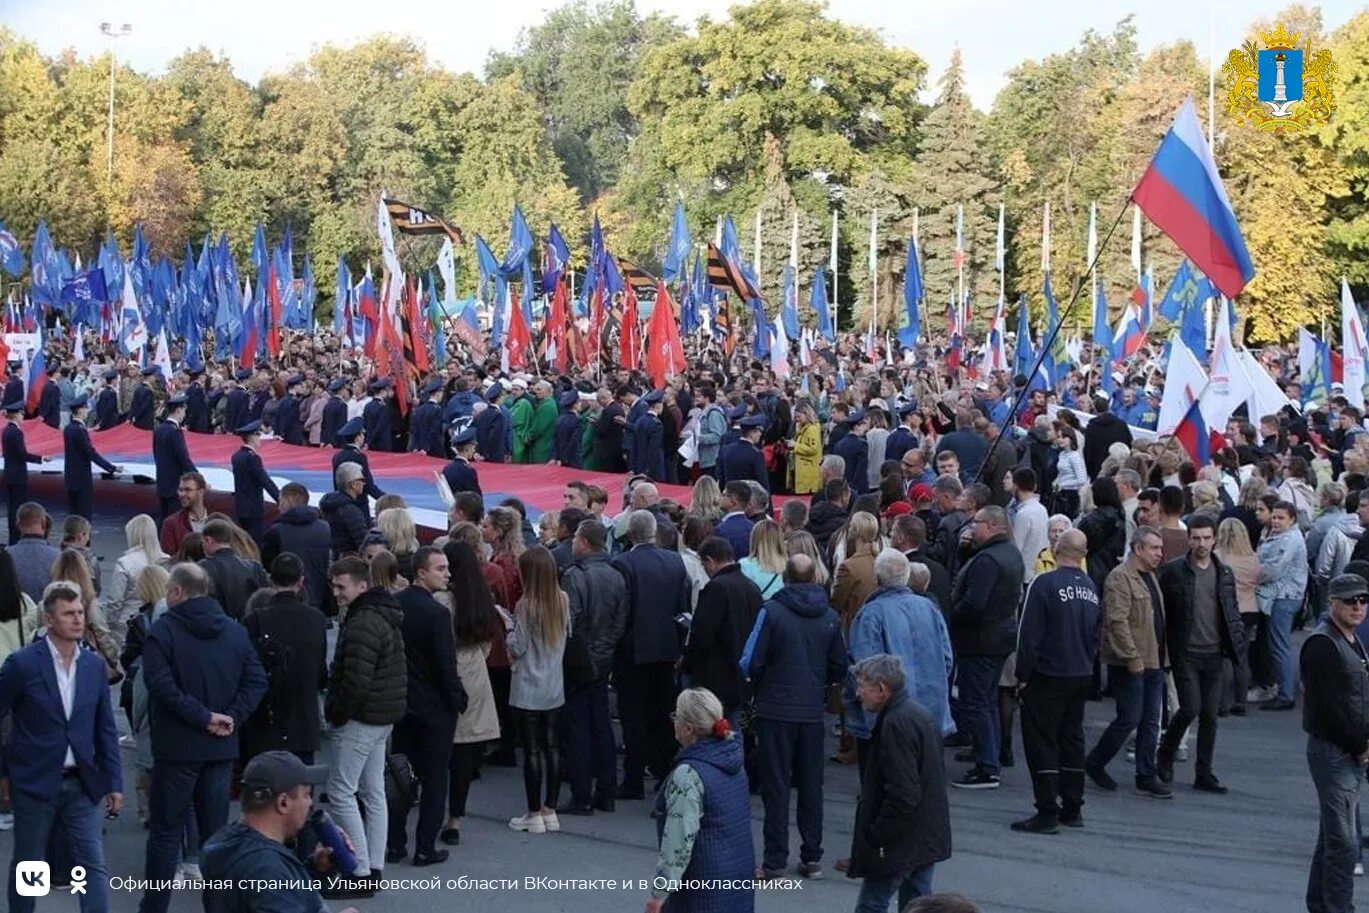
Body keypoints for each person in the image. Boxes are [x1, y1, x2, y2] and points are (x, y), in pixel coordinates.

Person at [140, 563, 268, 913]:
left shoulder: (163, 632)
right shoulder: (235, 631)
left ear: (177, 592)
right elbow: (257, 680)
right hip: (220, 748)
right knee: (215, 837)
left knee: (166, 834)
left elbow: (160, 685)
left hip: (176, 748)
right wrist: (230, 717)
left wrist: (202, 717)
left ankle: (153, 907)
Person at [0, 580, 122, 913]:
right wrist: (4, 772)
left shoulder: (94, 665)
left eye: (80, 612)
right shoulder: (22, 665)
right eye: (69, 613)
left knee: (92, 863)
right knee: (30, 865)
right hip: (35, 781)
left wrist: (114, 782)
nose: (78, 619)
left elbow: (105, 727)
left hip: (83, 781)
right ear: (49, 620)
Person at [741, 554, 848, 879]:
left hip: (775, 707)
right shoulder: (829, 617)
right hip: (811, 710)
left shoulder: (771, 611)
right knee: (811, 785)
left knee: (776, 787)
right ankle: (812, 854)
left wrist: (760, 683)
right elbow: (840, 665)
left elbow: (750, 660)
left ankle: (775, 859)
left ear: (785, 577)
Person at [324, 557, 406, 892]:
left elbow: (355, 680)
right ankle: (372, 867)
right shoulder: (381, 615)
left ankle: (358, 872)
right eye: (334, 586)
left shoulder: (362, 622)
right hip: (381, 717)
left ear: (361, 585)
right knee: (373, 793)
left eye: (341, 586)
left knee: (341, 791)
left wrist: (338, 713)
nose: (336, 592)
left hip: (362, 717)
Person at [845, 654, 952, 912]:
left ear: (881, 689)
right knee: (918, 904)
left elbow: (903, 794)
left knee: (872, 904)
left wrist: (876, 835)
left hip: (900, 842)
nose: (858, 694)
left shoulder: (895, 723)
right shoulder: (918, 713)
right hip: (926, 834)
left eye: (862, 686)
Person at [1012, 529, 1102, 833]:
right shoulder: (1090, 586)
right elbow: (1095, 634)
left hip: (1048, 673)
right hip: (1080, 671)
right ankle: (1073, 804)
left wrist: (1022, 675)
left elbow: (1028, 635)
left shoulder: (1044, 584)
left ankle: (1047, 808)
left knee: (1042, 740)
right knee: (1072, 737)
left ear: (1055, 548)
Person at [1155, 516, 1245, 793]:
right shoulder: (1173, 571)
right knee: (1189, 708)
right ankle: (1166, 753)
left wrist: (1236, 645)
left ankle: (1204, 772)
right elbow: (1162, 611)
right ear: (1189, 539)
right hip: (1186, 652)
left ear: (1215, 538)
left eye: (1206, 538)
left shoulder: (1224, 572)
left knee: (1210, 715)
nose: (1202, 543)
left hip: (1214, 653)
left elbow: (1230, 611)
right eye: (1196, 538)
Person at [646, 688, 756, 913]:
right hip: (739, 878)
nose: (674, 722)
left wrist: (659, 895)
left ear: (688, 728)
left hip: (702, 889)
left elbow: (678, 843)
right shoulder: (733, 762)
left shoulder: (688, 774)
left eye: (676, 716)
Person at [390, 546, 464, 866]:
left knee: (402, 777)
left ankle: (394, 842)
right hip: (434, 708)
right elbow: (445, 665)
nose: (447, 573)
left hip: (402, 704)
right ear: (421, 572)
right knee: (435, 780)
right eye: (440, 568)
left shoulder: (396, 606)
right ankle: (424, 847)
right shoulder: (437, 614)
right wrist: (457, 700)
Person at [1085, 527, 1171, 799]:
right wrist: (1132, 657)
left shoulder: (1151, 577)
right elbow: (1117, 622)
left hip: (1154, 658)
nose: (1160, 554)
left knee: (1151, 721)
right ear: (1138, 549)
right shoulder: (1120, 578)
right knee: (1130, 717)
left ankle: (1146, 775)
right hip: (1132, 661)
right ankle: (1096, 761)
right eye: (1154, 548)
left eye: (1160, 548)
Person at [1301, 573, 1369, 913]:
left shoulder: (1350, 639)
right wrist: (1360, 745)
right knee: (1343, 843)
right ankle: (1338, 908)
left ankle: (1320, 904)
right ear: (1332, 604)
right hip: (1334, 752)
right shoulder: (1323, 644)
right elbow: (1328, 707)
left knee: (1331, 835)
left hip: (1346, 750)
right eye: (1350, 600)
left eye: (1363, 600)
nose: (1358, 606)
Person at [611, 510, 691, 800]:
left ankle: (634, 778)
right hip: (666, 648)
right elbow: (683, 609)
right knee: (662, 714)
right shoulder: (674, 561)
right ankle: (666, 770)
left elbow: (622, 612)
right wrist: (681, 646)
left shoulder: (623, 563)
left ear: (631, 534)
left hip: (633, 651)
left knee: (634, 717)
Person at [845, 550, 955, 760]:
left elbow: (865, 666)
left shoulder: (871, 613)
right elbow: (946, 658)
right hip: (931, 707)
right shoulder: (929, 608)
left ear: (877, 578)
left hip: (887, 713)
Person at [200, 751, 342, 913]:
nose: (310, 803)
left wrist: (317, 869)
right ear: (283, 803)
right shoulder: (266, 867)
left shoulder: (225, 842)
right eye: (306, 795)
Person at [947, 506, 1025, 789]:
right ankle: (987, 752)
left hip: (980, 640)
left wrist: (951, 613)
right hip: (999, 638)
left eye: (976, 523)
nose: (971, 528)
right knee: (987, 700)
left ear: (992, 526)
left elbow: (974, 603)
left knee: (977, 701)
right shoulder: (1010, 553)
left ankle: (987, 767)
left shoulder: (989, 560)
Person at [557, 519, 629, 816]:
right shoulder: (616, 575)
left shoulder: (575, 576)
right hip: (604, 658)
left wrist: (580, 654)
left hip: (580, 661)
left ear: (584, 541)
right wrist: (605, 649)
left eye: (575, 537)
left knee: (578, 729)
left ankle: (581, 795)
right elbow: (619, 621)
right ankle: (606, 791)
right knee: (601, 726)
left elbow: (570, 622)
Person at [441, 540, 502, 844]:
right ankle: (456, 818)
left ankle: (435, 808)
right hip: (475, 670)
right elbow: (489, 640)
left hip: (446, 671)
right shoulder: (482, 598)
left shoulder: (443, 601)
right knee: (465, 753)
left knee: (440, 749)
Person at [241, 555, 328, 765]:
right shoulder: (316, 619)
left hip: (265, 720)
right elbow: (320, 673)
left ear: (271, 580)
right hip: (303, 721)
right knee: (300, 790)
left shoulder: (255, 620)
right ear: (301, 581)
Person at [507, 546, 570, 834]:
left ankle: (533, 813)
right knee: (552, 746)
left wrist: (508, 628)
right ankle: (550, 809)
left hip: (528, 685)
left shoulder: (525, 604)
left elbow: (518, 646)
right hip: (554, 684)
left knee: (531, 750)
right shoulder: (562, 600)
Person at [682, 537, 764, 722]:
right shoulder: (751, 587)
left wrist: (687, 664)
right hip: (742, 674)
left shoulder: (717, 588)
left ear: (710, 561)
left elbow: (701, 634)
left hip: (716, 675)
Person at [1257, 500, 1309, 711]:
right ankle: (1284, 689)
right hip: (1283, 594)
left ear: (1292, 519)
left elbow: (1274, 569)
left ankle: (1286, 693)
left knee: (1279, 645)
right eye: (1275, 517)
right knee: (1279, 644)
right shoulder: (1282, 536)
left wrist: (1252, 575)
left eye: (1281, 518)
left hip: (1283, 596)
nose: (1276, 521)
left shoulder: (1288, 540)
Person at [261, 483, 332, 614]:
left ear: (289, 499)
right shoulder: (325, 528)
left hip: (286, 600)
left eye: (280, 500)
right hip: (319, 599)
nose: (278, 506)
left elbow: (267, 564)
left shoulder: (276, 531)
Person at [62, 394, 120, 520]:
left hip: (70, 477)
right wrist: (111, 468)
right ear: (80, 410)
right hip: (81, 478)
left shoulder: (68, 428)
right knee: (84, 514)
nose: (87, 411)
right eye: (85, 408)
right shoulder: (79, 430)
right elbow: (90, 453)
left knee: (73, 514)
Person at [199, 519, 269, 621]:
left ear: (208, 540)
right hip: (250, 627)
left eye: (202, 542)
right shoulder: (254, 568)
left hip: (216, 627)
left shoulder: (203, 568)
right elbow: (264, 599)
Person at [2, 400, 47, 543]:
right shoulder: (16, 433)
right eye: (21, 414)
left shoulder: (6, 431)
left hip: (10, 473)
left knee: (12, 508)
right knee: (19, 509)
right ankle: (16, 538)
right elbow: (22, 454)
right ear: (15, 415)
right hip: (18, 475)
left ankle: (13, 539)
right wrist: (41, 458)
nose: (23, 417)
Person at [231, 420, 281, 544]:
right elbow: (265, 481)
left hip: (241, 506)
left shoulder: (236, 456)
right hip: (254, 508)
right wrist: (280, 499)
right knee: (256, 542)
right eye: (258, 435)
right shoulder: (252, 458)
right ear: (252, 437)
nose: (260, 438)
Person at [153, 394, 198, 523]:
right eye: (184, 410)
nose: (184, 414)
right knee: (176, 521)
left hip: (162, 482)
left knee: (163, 520)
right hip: (175, 484)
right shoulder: (175, 432)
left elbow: (156, 454)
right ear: (178, 411)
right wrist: (197, 478)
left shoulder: (159, 429)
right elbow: (184, 459)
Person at [8, 503, 60, 603]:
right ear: (44, 523)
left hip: (15, 614)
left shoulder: (5, 556)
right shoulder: (59, 557)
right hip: (49, 615)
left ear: (17, 525)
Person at [321, 464, 371, 558]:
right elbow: (363, 542)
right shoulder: (351, 511)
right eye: (361, 480)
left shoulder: (328, 505)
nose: (364, 483)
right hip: (350, 561)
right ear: (353, 484)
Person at [332, 418, 385, 501]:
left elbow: (336, 483)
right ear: (357, 438)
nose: (364, 437)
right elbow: (367, 484)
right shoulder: (359, 457)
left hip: (342, 500)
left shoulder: (337, 456)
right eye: (362, 434)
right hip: (359, 502)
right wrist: (385, 499)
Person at [160, 471, 211, 556]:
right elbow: (167, 559)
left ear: (201, 492)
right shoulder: (171, 523)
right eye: (180, 490)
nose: (182, 494)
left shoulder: (216, 520)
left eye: (188, 490)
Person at [441, 427, 481, 495]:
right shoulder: (469, 471)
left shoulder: (447, 468)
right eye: (473, 448)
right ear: (467, 449)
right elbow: (475, 497)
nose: (474, 451)